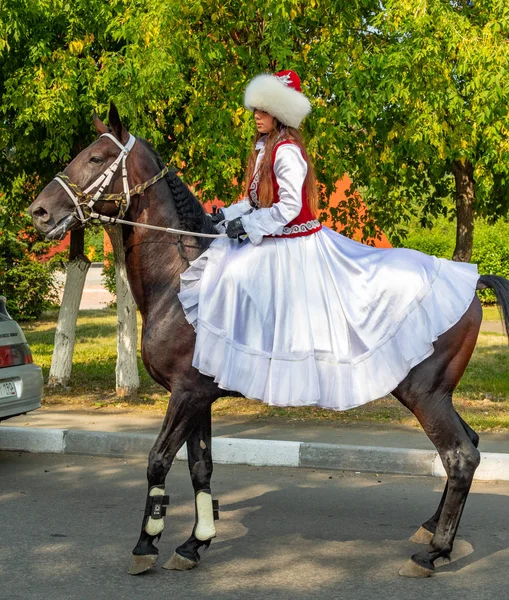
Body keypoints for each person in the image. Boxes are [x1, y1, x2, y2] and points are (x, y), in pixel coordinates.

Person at [178, 70, 479, 411]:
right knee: (226, 268)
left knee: (235, 277)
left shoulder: (287, 151)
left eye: (263, 110)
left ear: (280, 113)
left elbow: (290, 207)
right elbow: (253, 200)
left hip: (294, 243)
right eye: (255, 110)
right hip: (274, 238)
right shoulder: (264, 148)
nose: (256, 117)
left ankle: (252, 366)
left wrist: (249, 226)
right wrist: (227, 217)